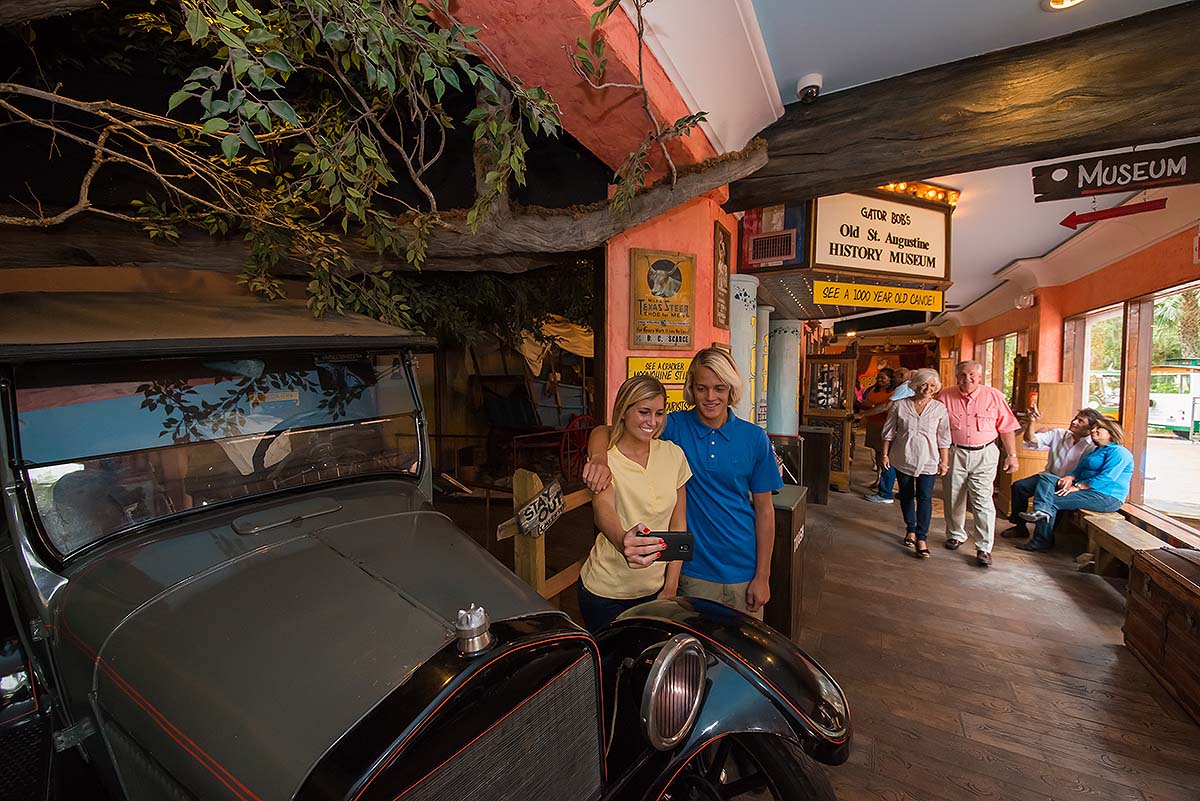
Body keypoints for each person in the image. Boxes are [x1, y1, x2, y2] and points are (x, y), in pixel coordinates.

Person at [584, 347, 781, 618]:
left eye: (719, 388)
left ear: (731, 390)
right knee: (691, 654)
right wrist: (598, 458)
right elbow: (609, 429)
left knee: (739, 655)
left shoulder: (754, 438)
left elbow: (765, 511)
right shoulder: (673, 425)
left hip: (743, 569)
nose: (710, 397)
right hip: (692, 570)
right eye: (702, 388)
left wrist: (763, 576)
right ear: (691, 388)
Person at [578, 375, 691, 631]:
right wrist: (622, 541)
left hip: (656, 589)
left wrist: (670, 586)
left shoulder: (674, 454)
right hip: (606, 592)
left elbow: (678, 522)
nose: (652, 421)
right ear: (624, 410)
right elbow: (602, 508)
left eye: (659, 413)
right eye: (643, 412)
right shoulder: (607, 458)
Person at [938, 360, 1022, 567]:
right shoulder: (945, 396)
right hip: (954, 451)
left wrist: (1012, 455)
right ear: (957, 377)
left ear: (980, 376)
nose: (968, 379)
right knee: (952, 496)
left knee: (982, 500)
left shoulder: (993, 396)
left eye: (972, 375)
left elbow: (1007, 427)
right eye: (963, 375)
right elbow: (936, 427)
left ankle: (984, 547)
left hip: (985, 453)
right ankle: (956, 534)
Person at [1016, 417, 1133, 553]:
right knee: (1046, 477)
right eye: (1093, 427)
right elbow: (1079, 470)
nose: (1093, 430)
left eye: (1098, 428)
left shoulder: (1119, 452)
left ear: (1111, 432)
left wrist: (1077, 487)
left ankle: (1041, 541)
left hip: (1106, 497)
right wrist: (1070, 477)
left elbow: (1107, 477)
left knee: (1051, 501)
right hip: (1087, 490)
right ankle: (1041, 511)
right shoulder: (1097, 450)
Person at [1000, 407, 1103, 540]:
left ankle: (1045, 536)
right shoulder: (1059, 434)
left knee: (1054, 500)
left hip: (1070, 483)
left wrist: (1075, 484)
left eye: (1080, 421)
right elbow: (1031, 441)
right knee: (1019, 487)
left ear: (1090, 429)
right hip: (1048, 477)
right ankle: (1019, 527)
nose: (1074, 422)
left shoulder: (1093, 447)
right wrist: (1032, 422)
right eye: (1075, 418)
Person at [881, 368, 950, 559]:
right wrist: (885, 454)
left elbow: (944, 437)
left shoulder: (939, 409)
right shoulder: (900, 405)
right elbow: (889, 432)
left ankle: (921, 537)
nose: (928, 388)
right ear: (915, 384)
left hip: (929, 459)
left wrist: (944, 462)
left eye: (932, 385)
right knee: (906, 495)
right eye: (924, 384)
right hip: (903, 457)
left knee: (925, 497)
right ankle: (910, 529)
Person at [864, 367, 913, 504]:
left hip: (896, 429)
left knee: (889, 461)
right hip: (893, 428)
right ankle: (899, 492)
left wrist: (863, 414)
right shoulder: (904, 388)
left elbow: (886, 406)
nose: (895, 379)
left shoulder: (903, 388)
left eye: (897, 376)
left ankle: (885, 493)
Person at [860, 368, 895, 497]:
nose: (879, 380)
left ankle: (883, 481)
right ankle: (878, 478)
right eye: (879, 377)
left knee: (883, 453)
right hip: (873, 424)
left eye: (883, 378)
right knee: (876, 451)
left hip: (884, 425)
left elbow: (886, 407)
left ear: (890, 379)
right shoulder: (873, 389)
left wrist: (873, 408)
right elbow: (865, 401)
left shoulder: (893, 393)